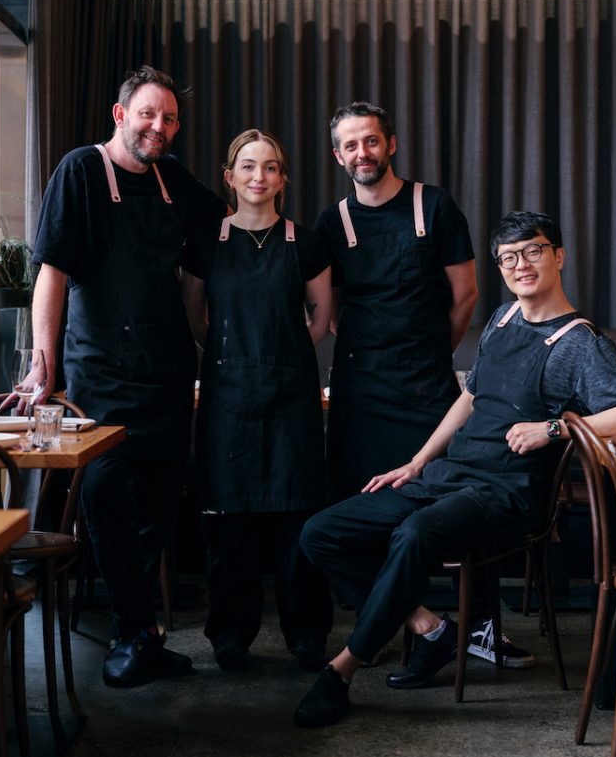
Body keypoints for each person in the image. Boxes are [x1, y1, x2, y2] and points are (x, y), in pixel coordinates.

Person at [292, 211, 616, 727]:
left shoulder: (579, 341)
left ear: (558, 256)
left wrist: (554, 429)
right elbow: (470, 397)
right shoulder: (503, 320)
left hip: (509, 494)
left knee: (413, 534)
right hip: (452, 477)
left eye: (532, 251)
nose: (520, 264)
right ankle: (432, 629)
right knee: (321, 533)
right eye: (508, 257)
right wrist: (418, 463)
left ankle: (342, 670)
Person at [28, 66, 228, 688]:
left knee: (160, 506)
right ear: (121, 115)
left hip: (168, 374)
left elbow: (231, 227)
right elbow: (52, 273)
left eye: (169, 118)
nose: (159, 127)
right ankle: (128, 630)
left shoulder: (176, 183)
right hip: (100, 373)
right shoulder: (81, 171)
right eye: (148, 114)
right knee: (107, 495)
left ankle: (141, 634)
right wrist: (43, 362)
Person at [180, 130, 334, 673]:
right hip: (227, 398)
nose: (258, 177)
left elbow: (319, 318)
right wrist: (236, 355)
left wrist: (282, 354)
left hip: (292, 396)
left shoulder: (306, 241)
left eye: (270, 168)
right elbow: (196, 316)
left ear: (283, 180)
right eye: (248, 167)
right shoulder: (205, 241)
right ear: (230, 176)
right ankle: (230, 636)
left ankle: (307, 634)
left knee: (299, 520)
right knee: (230, 525)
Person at [315, 101, 479, 501]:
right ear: (339, 157)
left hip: (427, 389)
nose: (363, 153)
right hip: (359, 394)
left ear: (391, 144)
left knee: (429, 502)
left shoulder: (436, 205)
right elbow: (331, 308)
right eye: (351, 146)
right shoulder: (331, 223)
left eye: (371, 141)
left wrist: (434, 350)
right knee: (356, 500)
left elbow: (466, 294)